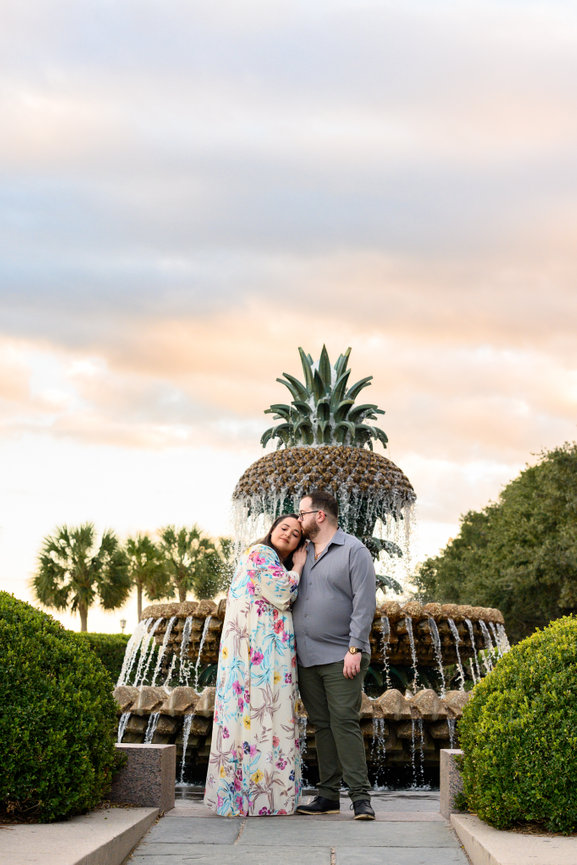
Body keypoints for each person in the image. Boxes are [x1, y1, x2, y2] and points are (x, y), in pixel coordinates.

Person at [204, 514, 307, 817]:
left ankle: (248, 795)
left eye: (296, 533)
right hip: (259, 655)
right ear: (272, 530)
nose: (288, 534)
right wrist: (299, 567)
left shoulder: (267, 559)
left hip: (262, 652)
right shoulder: (261, 553)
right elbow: (283, 593)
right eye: (284, 528)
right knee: (264, 715)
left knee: (257, 719)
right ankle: (260, 797)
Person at [292, 489, 377, 820]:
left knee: (344, 722)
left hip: (342, 654)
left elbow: (364, 603)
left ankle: (360, 798)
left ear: (320, 516)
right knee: (322, 725)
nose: (299, 520)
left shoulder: (354, 551)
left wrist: (354, 648)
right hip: (306, 658)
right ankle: (327, 796)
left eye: (302, 514)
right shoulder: (302, 553)